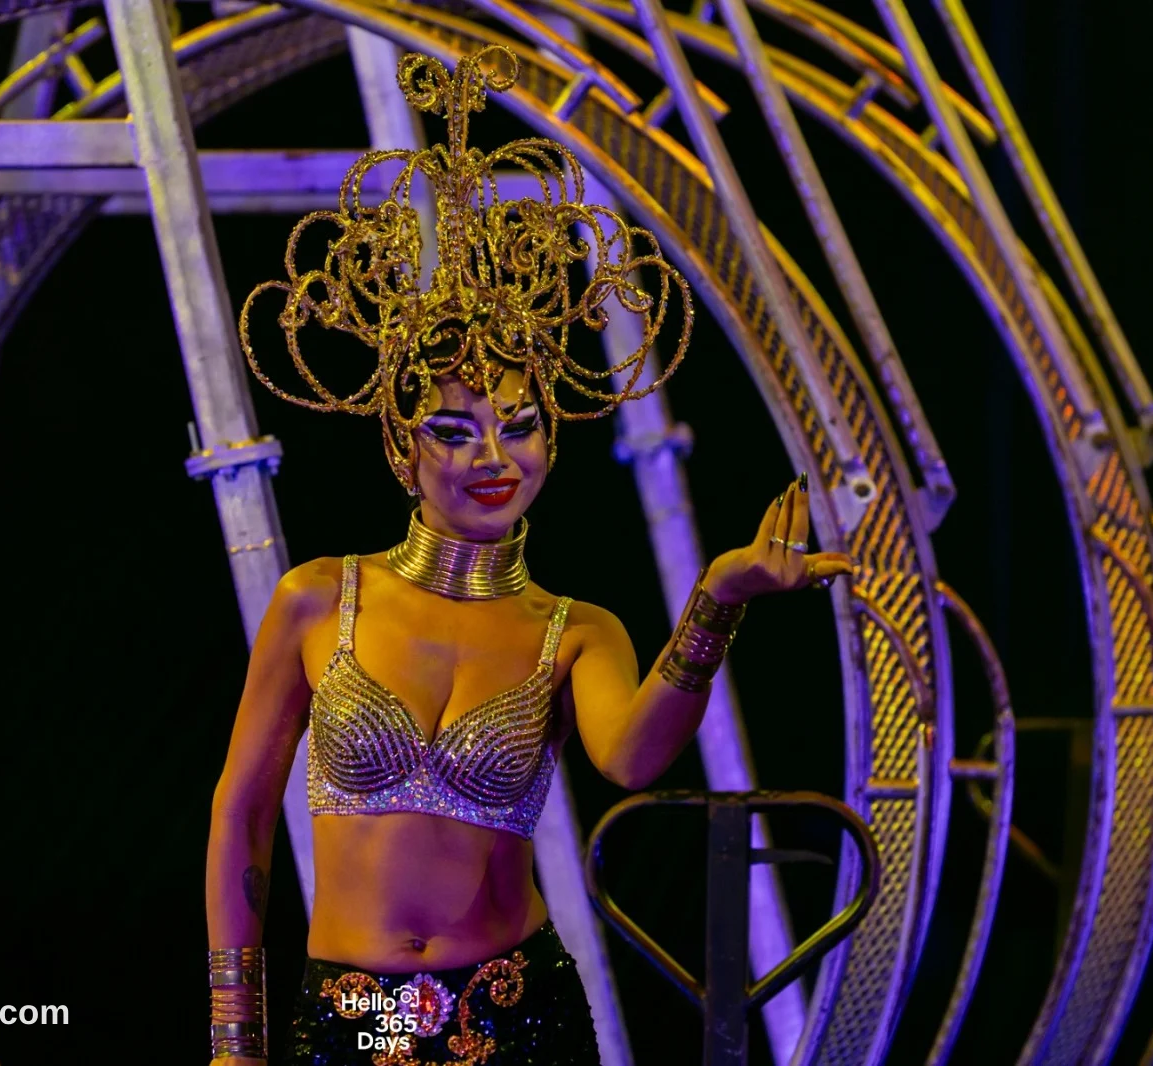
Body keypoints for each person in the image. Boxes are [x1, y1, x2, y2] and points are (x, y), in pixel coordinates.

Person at [205, 47, 855, 1065]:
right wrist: (232, 1036)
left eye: (518, 426)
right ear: (400, 451)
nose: (493, 458)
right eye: (454, 432)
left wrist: (718, 599)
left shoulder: (573, 630)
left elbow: (631, 758)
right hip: (357, 1016)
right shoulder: (318, 599)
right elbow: (242, 814)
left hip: (519, 1010)